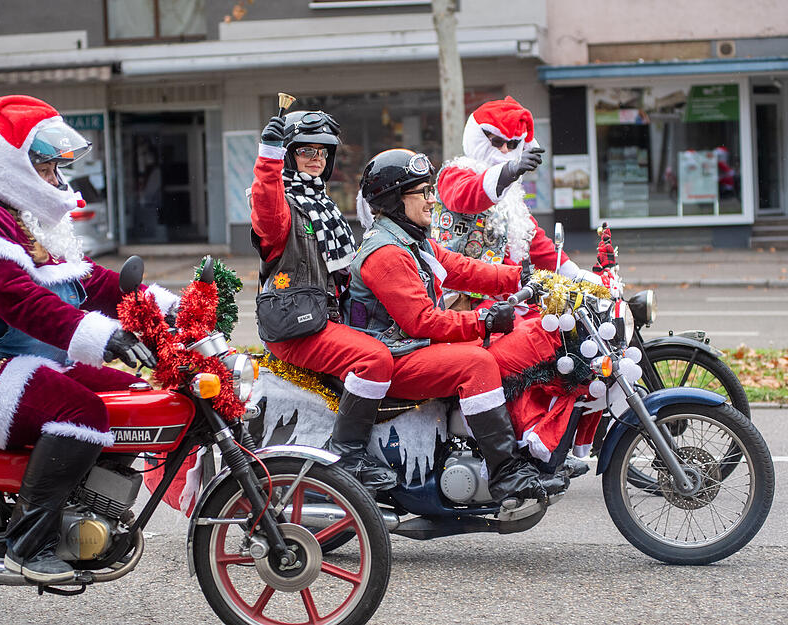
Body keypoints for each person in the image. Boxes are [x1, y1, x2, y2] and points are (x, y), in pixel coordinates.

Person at [0, 95, 177, 583]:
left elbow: (90, 283)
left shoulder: (21, 216)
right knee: (81, 413)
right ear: (10, 164)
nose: (58, 180)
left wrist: (166, 310)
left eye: (58, 168)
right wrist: (105, 336)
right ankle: (27, 545)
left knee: (135, 394)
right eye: (49, 168)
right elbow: (22, 303)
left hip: (18, 359)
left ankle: (90, 502)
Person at [348, 148, 578, 505]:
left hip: (412, 348)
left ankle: (512, 451)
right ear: (395, 200)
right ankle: (506, 473)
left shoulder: (412, 240)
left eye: (430, 190)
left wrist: (523, 277)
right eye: (422, 192)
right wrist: (483, 321)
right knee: (478, 364)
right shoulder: (386, 252)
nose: (431, 201)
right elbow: (422, 320)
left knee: (504, 348)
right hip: (394, 356)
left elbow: (462, 268)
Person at [250, 109, 396, 491]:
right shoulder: (283, 206)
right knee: (374, 359)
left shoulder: (324, 204)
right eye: (305, 151)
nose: (316, 158)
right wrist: (267, 153)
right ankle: (349, 455)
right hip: (300, 326)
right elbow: (266, 208)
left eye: (323, 152)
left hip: (332, 318)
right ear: (288, 155)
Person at [435, 96, 600, 301]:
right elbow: (466, 196)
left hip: (506, 294)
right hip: (460, 294)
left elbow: (533, 241)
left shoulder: (510, 193)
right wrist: (508, 171)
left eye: (513, 144)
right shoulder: (457, 172)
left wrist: (573, 275)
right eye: (497, 141)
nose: (505, 150)